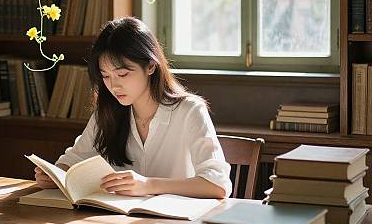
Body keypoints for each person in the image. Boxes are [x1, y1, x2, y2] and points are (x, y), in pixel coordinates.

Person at [35, 16, 232, 198]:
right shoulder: (108, 110)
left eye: (122, 74)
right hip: (117, 222)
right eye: (105, 76)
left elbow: (218, 184)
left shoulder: (189, 110)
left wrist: (148, 185)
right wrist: (54, 174)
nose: (113, 85)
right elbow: (74, 158)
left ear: (150, 67)